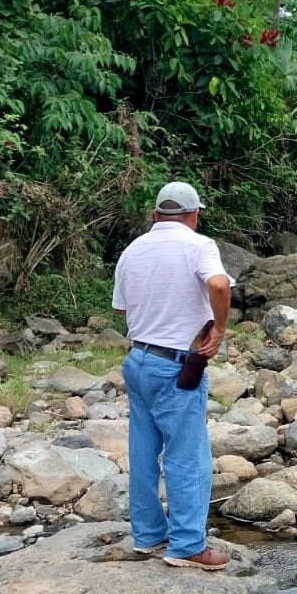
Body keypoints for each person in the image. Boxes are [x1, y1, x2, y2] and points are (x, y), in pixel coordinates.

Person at [112, 181, 232, 570]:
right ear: (194, 216)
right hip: (177, 365)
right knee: (188, 456)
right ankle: (188, 545)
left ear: (156, 214)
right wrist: (219, 329)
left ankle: (148, 536)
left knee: (142, 452)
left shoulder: (133, 250)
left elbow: (121, 309)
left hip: (138, 360)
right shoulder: (199, 246)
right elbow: (218, 284)